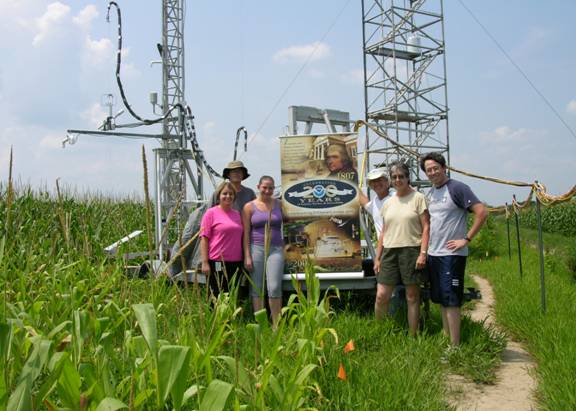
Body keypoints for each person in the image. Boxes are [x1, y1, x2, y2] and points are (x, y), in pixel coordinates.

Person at [420, 152, 488, 347]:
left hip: (452, 254)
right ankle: (445, 336)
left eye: (435, 168)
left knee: (452, 300)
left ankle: (455, 346)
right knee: (442, 297)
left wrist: (466, 239)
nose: (432, 172)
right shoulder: (431, 193)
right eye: (428, 170)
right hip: (435, 253)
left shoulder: (457, 188)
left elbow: (482, 212)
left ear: (444, 168)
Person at [373, 161, 430, 336]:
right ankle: (379, 332)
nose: (398, 180)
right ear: (391, 180)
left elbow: (427, 227)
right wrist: (378, 257)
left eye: (401, 176)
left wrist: (423, 253)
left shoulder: (418, 198)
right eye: (395, 177)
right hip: (389, 252)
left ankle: (413, 335)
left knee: (412, 296)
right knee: (382, 295)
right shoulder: (388, 202)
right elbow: (384, 231)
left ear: (407, 178)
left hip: (411, 251)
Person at [242, 176, 285, 326]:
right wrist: (247, 255)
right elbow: (246, 232)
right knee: (257, 286)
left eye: (271, 188)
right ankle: (260, 323)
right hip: (256, 248)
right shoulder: (249, 207)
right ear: (258, 187)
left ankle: (276, 324)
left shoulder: (279, 204)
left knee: (274, 286)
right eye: (264, 187)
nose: (267, 191)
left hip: (276, 249)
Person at [200, 182, 245, 298]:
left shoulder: (237, 215)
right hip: (217, 261)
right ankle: (215, 316)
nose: (228, 196)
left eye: (231, 194)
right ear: (218, 195)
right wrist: (205, 262)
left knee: (232, 294)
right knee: (216, 294)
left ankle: (231, 316)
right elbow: (204, 238)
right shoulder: (211, 213)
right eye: (224, 194)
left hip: (236, 262)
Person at [359, 167, 393, 237]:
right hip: (384, 246)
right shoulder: (374, 203)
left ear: (387, 182)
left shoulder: (395, 197)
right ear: (370, 185)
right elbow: (363, 200)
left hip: (400, 244)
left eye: (379, 180)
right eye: (373, 181)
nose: (377, 183)